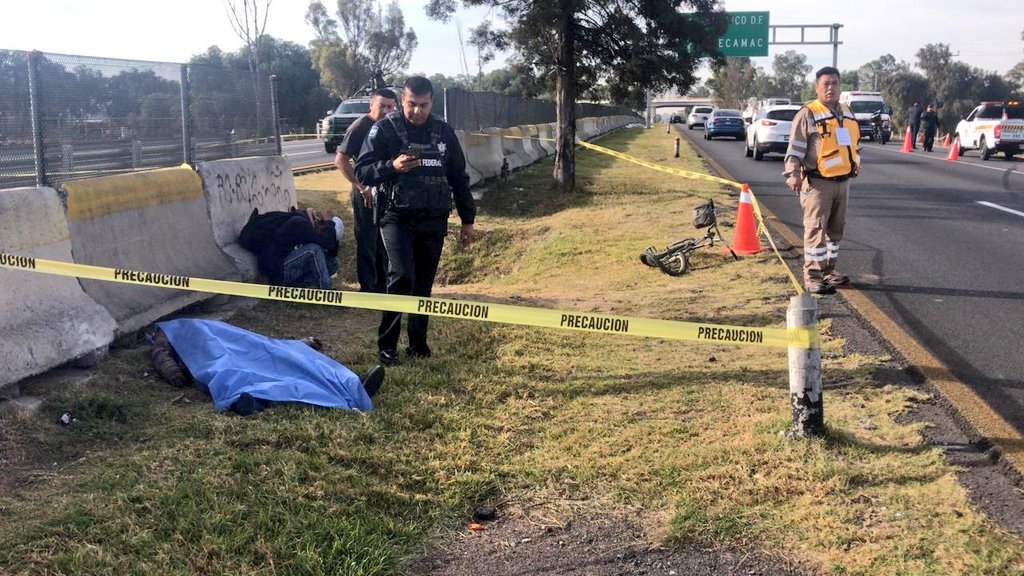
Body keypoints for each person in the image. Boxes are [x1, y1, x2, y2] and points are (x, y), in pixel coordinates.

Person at [354, 76, 476, 365]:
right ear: (402, 101)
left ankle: (418, 345)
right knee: (401, 276)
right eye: (411, 104)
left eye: (423, 105)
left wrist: (467, 220)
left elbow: (458, 177)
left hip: (433, 217)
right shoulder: (385, 130)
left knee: (423, 282)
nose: (417, 111)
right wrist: (392, 166)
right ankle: (387, 346)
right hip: (396, 216)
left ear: (431, 102)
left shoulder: (444, 132)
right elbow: (362, 170)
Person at [150, 318, 384, 415]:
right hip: (217, 359)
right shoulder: (167, 334)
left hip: (247, 350)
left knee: (291, 358)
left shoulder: (197, 325)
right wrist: (173, 372)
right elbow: (161, 355)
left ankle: (352, 383)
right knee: (236, 373)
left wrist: (301, 344)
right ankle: (246, 401)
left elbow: (254, 340)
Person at [783, 66, 861, 295]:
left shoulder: (847, 112)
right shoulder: (807, 114)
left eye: (835, 83)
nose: (830, 88)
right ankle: (813, 277)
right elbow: (794, 149)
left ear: (840, 87)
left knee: (835, 231)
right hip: (817, 183)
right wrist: (793, 175)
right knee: (815, 229)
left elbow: (854, 144)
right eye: (825, 84)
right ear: (816, 87)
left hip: (843, 182)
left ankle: (829, 271)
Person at [335, 88, 398, 293]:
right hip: (366, 192)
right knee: (367, 241)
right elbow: (341, 160)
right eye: (382, 106)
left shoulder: (393, 125)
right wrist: (361, 188)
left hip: (386, 192)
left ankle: (382, 286)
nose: (386, 111)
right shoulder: (361, 126)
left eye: (391, 107)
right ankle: (368, 289)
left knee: (384, 241)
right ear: (371, 105)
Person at [255, 208, 343, 290]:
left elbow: (331, 249)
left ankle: (299, 286)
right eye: (325, 231)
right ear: (319, 222)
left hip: (289, 268)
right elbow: (326, 242)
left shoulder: (308, 223)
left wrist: (330, 230)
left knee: (333, 263)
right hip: (278, 272)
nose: (322, 234)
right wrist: (329, 222)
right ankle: (325, 290)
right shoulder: (300, 223)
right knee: (314, 250)